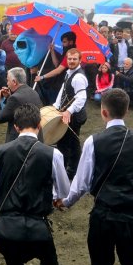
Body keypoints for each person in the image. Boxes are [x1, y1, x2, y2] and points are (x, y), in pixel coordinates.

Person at [57, 89, 133, 265]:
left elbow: (82, 182)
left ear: (103, 112)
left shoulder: (94, 141)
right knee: (131, 264)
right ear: (127, 110)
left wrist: (66, 201)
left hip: (105, 214)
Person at [0, 104, 70, 265]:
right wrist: (57, 200)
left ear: (16, 127)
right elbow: (63, 191)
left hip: (7, 227)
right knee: (49, 263)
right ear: (39, 125)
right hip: (38, 227)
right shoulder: (53, 154)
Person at [53, 48, 88, 180]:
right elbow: (63, 92)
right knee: (66, 142)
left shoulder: (78, 76)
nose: (71, 61)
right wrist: (55, 106)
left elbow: (81, 98)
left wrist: (68, 111)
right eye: (69, 59)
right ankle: (67, 169)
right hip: (68, 115)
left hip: (75, 117)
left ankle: (70, 172)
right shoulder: (69, 73)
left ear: (80, 60)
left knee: (69, 143)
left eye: (74, 59)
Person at [0, 67, 43, 143]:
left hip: (20, 142)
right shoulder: (33, 92)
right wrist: (8, 97)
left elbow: (0, 118)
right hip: (36, 138)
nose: (7, 83)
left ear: (14, 82)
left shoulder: (15, 98)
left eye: (8, 80)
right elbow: (19, 106)